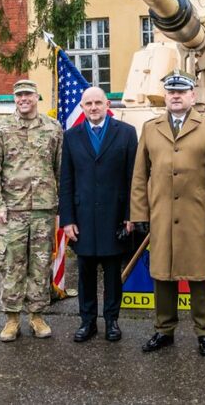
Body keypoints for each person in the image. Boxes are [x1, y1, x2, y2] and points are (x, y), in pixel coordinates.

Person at [131, 71, 205, 356]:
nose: (176, 96)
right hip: (161, 214)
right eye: (171, 92)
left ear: (192, 96)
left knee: (200, 276)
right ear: (166, 96)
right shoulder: (151, 128)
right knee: (162, 274)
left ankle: (204, 332)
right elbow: (140, 175)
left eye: (181, 92)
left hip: (197, 215)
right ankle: (164, 330)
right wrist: (139, 214)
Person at [0, 79, 63, 342]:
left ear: (37, 96)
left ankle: (37, 316)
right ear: (15, 99)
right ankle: (11, 318)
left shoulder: (53, 128)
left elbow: (60, 169)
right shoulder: (2, 128)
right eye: (19, 95)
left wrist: (60, 203)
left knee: (40, 265)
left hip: (43, 209)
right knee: (12, 265)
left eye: (28, 94)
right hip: (12, 210)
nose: (23, 99)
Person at [60, 87, 138, 343]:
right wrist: (68, 219)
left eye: (98, 103)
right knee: (85, 273)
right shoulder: (71, 137)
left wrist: (131, 214)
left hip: (114, 215)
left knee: (113, 273)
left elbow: (132, 178)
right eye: (88, 104)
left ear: (107, 105)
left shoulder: (126, 133)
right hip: (82, 218)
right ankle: (87, 322)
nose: (93, 108)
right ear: (82, 107)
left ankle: (112, 321)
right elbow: (67, 180)